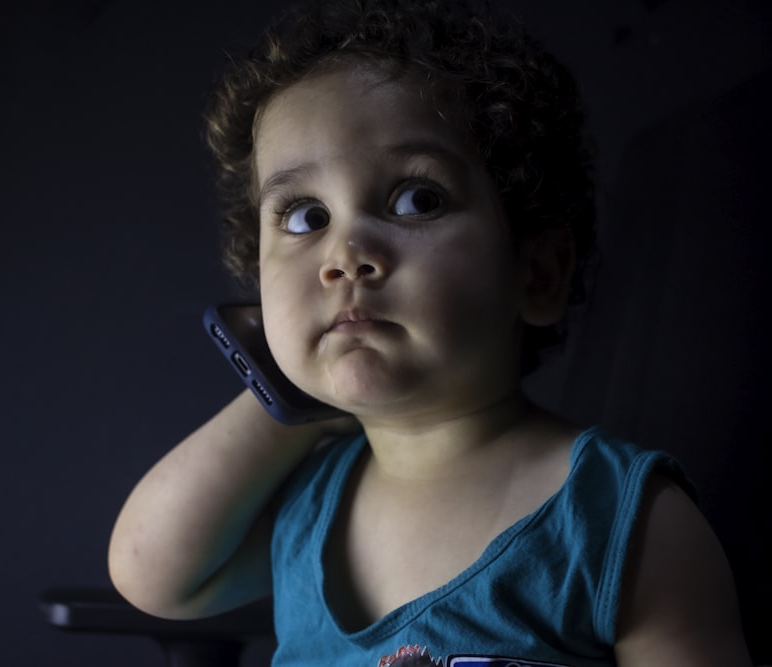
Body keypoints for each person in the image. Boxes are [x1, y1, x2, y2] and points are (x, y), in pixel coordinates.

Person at [107, 0, 753, 665]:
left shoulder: (625, 520)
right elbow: (149, 570)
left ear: (536, 273)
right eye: (304, 217)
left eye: (417, 198)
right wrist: (286, 400)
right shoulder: (308, 505)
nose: (345, 253)